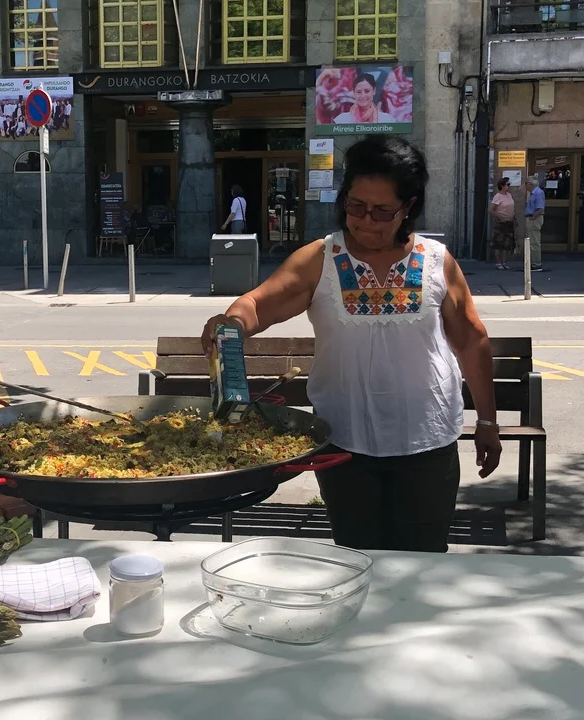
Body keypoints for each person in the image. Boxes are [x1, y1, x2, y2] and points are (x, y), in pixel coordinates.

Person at [201, 135, 501, 553]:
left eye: (382, 211)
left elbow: (471, 341)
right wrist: (230, 322)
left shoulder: (436, 261)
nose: (366, 220)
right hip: (344, 444)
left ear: (409, 207)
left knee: (424, 560)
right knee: (356, 555)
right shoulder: (320, 260)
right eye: (356, 206)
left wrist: (487, 422)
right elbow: (257, 305)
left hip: (428, 442)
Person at [488, 177, 516, 270]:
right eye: (507, 184)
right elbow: (490, 209)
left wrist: (514, 218)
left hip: (509, 222)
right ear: (502, 186)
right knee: (498, 243)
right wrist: (499, 216)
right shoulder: (498, 196)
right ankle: (498, 262)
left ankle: (504, 262)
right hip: (501, 223)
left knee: (507, 244)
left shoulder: (509, 195)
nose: (509, 186)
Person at [524, 176, 546, 272]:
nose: (525, 185)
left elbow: (540, 208)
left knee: (534, 242)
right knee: (531, 242)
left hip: (534, 219)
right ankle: (532, 262)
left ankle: (536, 264)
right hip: (531, 218)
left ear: (531, 184)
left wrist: (533, 217)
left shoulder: (538, 193)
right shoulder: (533, 193)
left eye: (526, 183)